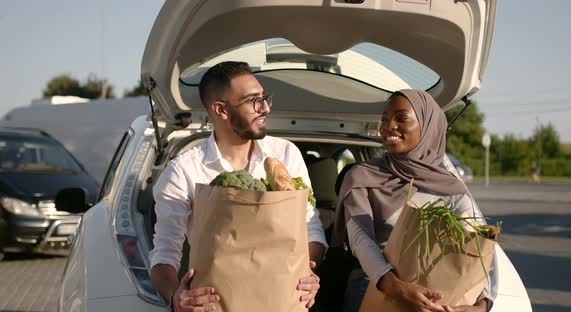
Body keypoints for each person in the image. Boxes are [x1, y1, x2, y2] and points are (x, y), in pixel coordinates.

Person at [150, 61, 327, 312]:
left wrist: (309, 271)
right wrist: (174, 297)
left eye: (264, 98)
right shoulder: (184, 170)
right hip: (220, 302)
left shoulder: (286, 154)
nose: (265, 108)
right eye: (253, 100)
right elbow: (165, 251)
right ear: (221, 109)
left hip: (284, 299)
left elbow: (310, 227)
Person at [332, 90, 495, 312]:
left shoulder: (452, 188)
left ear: (427, 125)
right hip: (372, 288)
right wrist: (396, 287)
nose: (388, 126)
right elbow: (361, 240)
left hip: (434, 299)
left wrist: (480, 306)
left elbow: (482, 251)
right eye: (384, 119)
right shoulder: (361, 177)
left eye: (401, 118)